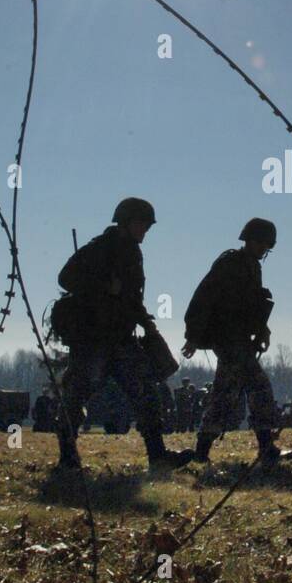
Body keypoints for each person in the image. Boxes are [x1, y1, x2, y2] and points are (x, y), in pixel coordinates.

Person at [53, 198, 181, 470]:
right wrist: (101, 286)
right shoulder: (99, 247)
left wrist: (147, 324)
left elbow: (130, 297)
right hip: (93, 339)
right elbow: (65, 278)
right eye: (142, 225)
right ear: (126, 222)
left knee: (146, 393)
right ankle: (67, 456)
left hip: (122, 338)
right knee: (76, 396)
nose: (145, 231)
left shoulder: (132, 252)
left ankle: (157, 455)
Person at [177, 218, 287, 466]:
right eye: (261, 243)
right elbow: (203, 299)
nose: (263, 249)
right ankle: (262, 447)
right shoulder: (229, 264)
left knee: (230, 392)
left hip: (239, 340)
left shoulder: (252, 267)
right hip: (227, 340)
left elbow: (251, 306)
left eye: (266, 246)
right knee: (250, 389)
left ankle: (205, 451)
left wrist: (262, 329)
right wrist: (193, 336)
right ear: (249, 240)